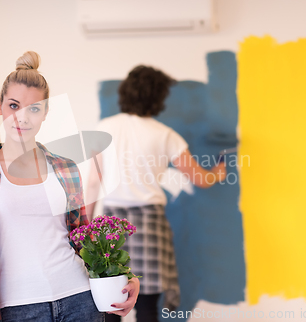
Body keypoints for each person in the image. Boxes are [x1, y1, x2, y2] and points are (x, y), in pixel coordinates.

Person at [0, 51, 140, 322]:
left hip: (80, 299)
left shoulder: (65, 168)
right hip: (18, 309)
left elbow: (84, 239)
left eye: (34, 108)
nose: (22, 118)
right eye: (13, 105)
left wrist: (126, 278)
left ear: (45, 112)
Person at [86, 65, 226, 322]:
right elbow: (201, 179)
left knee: (110, 303)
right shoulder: (165, 135)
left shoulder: (105, 127)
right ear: (158, 98)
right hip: (149, 225)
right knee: (148, 306)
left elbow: (94, 181)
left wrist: (84, 228)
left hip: (111, 225)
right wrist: (218, 172)